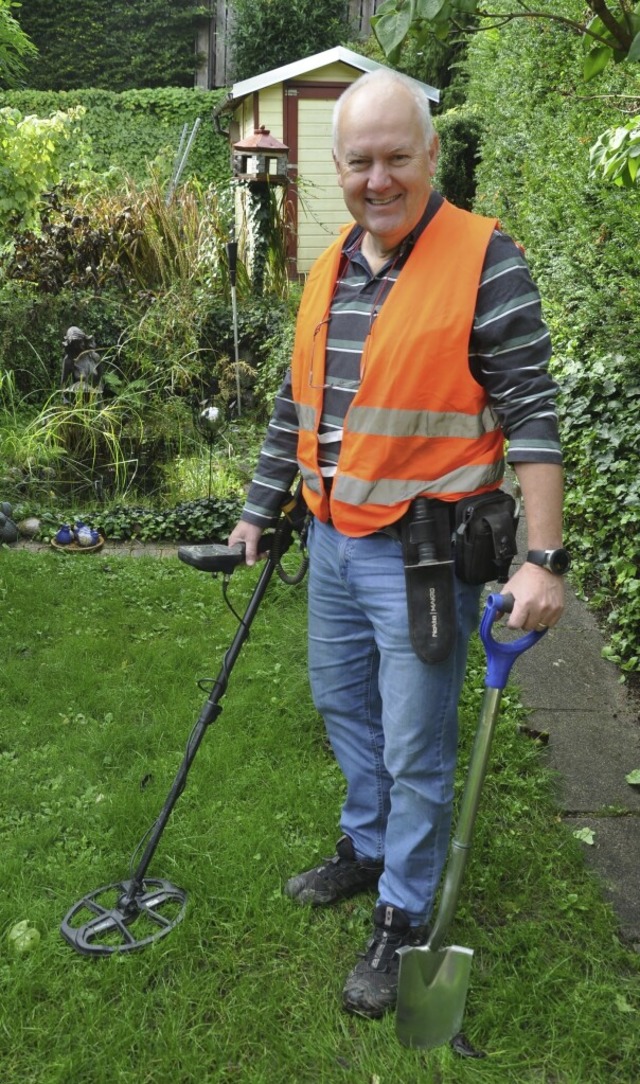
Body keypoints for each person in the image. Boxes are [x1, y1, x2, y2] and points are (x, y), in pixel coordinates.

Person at [228, 67, 566, 1018]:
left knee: (418, 740)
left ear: (432, 157)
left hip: (422, 552)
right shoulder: (333, 261)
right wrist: (261, 509)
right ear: (339, 169)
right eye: (361, 162)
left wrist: (543, 559)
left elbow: (533, 415)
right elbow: (299, 404)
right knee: (342, 704)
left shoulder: (486, 260)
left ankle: (405, 912)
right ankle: (368, 841)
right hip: (333, 542)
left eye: (397, 159)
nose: (379, 179)